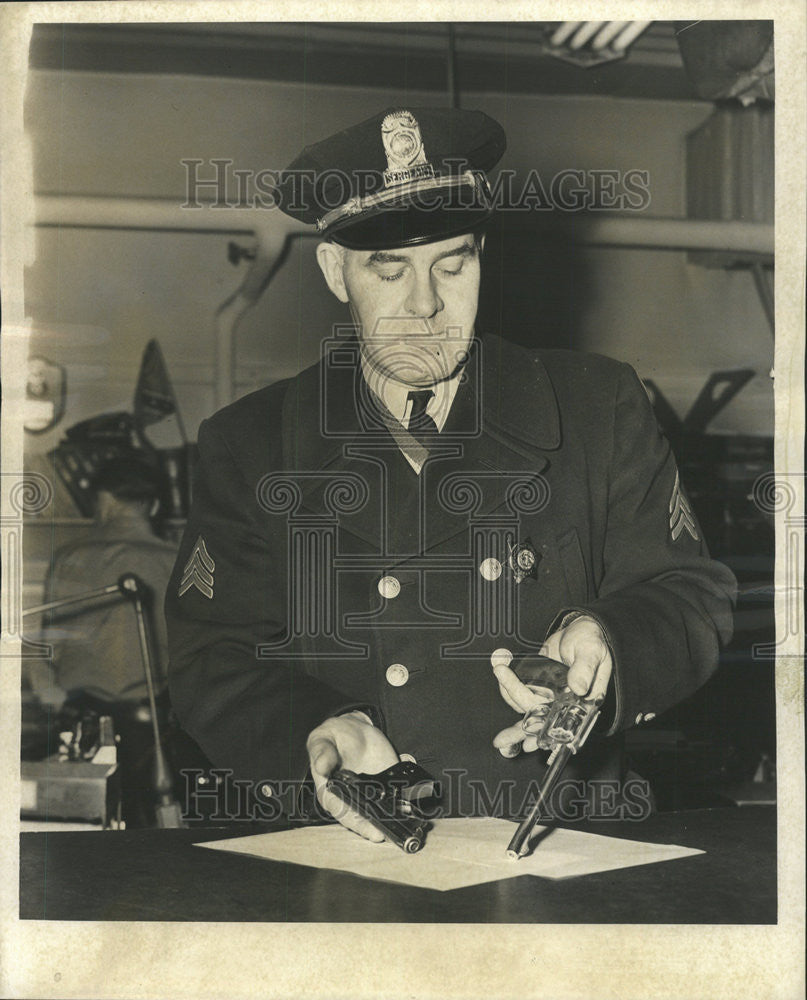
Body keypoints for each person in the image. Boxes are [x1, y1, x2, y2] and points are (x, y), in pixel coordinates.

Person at [165, 107, 736, 840]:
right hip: (361, 842)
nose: (426, 305)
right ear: (335, 271)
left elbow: (688, 593)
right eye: (389, 268)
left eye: (452, 262)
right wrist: (318, 727)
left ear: (481, 255)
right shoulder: (253, 445)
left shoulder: (596, 406)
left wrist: (605, 635)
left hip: (564, 841)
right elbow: (213, 658)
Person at [34, 453, 179, 825]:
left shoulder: (70, 558)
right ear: (155, 505)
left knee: (79, 835)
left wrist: (52, 696)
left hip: (82, 723)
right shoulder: (177, 561)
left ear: (104, 500)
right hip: (157, 731)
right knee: (151, 837)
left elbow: (45, 651)